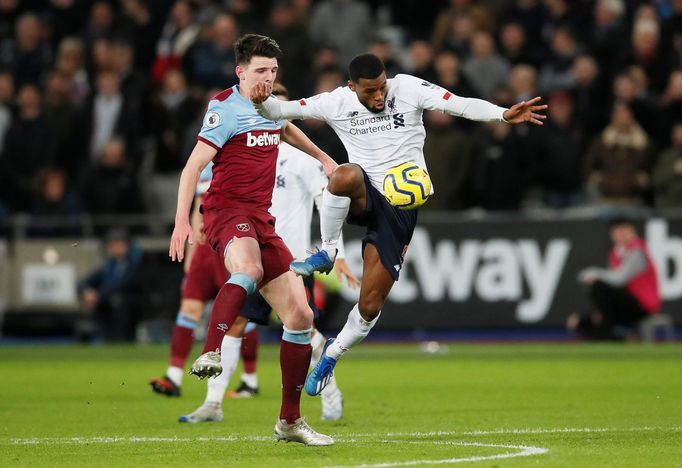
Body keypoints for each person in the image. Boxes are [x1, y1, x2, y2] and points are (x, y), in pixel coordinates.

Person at [251, 53, 547, 396]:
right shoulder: (335, 101)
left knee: (370, 305)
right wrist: (260, 98)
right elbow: (281, 112)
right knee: (343, 174)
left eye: (382, 88)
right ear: (352, 87)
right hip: (365, 194)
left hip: (400, 207)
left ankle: (332, 354)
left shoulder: (407, 88)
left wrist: (502, 114)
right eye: (370, 92)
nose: (379, 97)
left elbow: (459, 104)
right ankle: (329, 250)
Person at [152, 85, 357, 424]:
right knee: (235, 323)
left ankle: (329, 389)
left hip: (289, 260)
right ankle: (213, 403)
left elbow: (327, 202)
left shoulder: (300, 159)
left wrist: (337, 253)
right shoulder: (245, 146)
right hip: (252, 245)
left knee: (302, 325)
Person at [169, 34, 337, 446]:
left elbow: (287, 129)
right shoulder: (225, 109)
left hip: (262, 220)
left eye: (274, 71)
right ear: (241, 72)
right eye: (261, 70)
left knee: (301, 317)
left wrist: (325, 158)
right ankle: (209, 350)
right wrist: (181, 223)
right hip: (226, 212)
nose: (268, 77)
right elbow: (192, 169)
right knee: (249, 269)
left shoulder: (271, 108)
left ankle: (290, 423)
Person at [567, 218, 661, 340]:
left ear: (633, 231)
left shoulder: (637, 252)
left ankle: (606, 332)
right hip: (624, 303)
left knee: (598, 286)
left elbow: (619, 278)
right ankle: (622, 337)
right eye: (616, 231)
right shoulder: (616, 253)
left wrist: (593, 273)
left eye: (624, 230)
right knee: (579, 323)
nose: (620, 234)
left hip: (642, 306)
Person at [78, 228, 143, 342]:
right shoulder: (108, 265)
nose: (113, 247)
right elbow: (85, 281)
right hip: (105, 302)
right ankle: (105, 337)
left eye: (117, 244)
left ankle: (121, 339)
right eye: (111, 244)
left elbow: (122, 284)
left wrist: (98, 295)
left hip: (128, 304)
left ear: (126, 246)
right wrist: (87, 292)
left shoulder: (134, 264)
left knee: (119, 301)